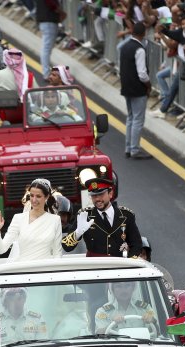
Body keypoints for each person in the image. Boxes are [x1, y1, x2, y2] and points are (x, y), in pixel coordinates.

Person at [62, 177, 142, 257]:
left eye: (101, 194)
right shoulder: (85, 215)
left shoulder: (126, 215)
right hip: (95, 266)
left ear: (110, 194)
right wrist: (77, 233)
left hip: (119, 266)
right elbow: (66, 246)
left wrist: (128, 264)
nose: (97, 199)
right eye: (93, 196)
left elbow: (136, 245)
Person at [0, 178, 63, 261]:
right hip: (23, 269)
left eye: (38, 196)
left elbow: (57, 253)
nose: (34, 200)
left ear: (46, 197)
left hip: (46, 269)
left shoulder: (55, 220)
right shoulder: (18, 218)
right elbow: (1, 250)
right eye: (32, 195)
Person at [119, 22, 153, 160]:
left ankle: (128, 148)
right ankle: (135, 149)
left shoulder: (125, 46)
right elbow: (142, 74)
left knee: (131, 118)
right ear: (143, 33)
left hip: (126, 86)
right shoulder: (140, 49)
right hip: (137, 88)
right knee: (138, 119)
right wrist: (148, 85)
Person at [36, 0, 66, 81]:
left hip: (46, 20)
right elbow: (51, 3)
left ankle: (47, 72)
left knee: (47, 48)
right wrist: (60, 11)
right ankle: (46, 74)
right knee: (46, 48)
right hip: (48, 20)